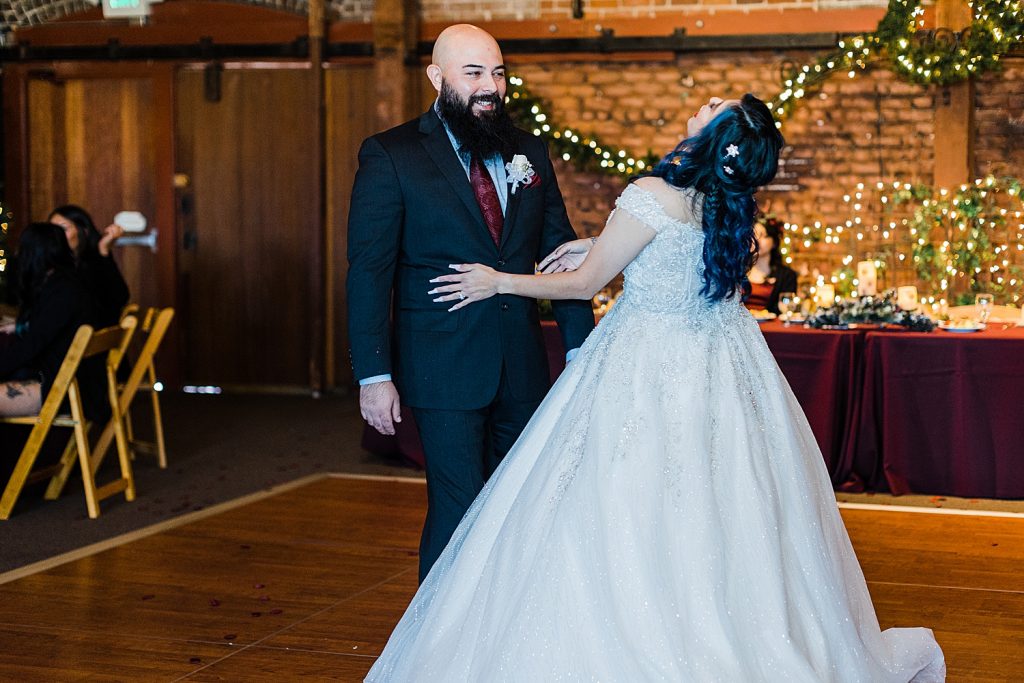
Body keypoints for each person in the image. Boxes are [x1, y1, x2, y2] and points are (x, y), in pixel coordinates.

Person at [364, 95, 945, 680]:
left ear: (714, 132)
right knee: (714, 499)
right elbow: (676, 252)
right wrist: (603, 242)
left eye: (714, 105)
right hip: (714, 365)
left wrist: (498, 281)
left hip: (643, 364)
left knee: (619, 493)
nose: (704, 102)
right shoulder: (724, 199)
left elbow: (585, 285)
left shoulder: (653, 192)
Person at [346, 24, 595, 582]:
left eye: (499, 73)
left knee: (518, 505)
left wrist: (580, 351)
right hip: (441, 365)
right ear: (437, 77)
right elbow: (368, 272)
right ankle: (437, 647)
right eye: (474, 73)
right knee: (459, 509)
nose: (491, 86)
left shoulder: (528, 150)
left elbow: (559, 252)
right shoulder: (392, 154)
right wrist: (373, 375)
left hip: (522, 362)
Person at [0, 222, 101, 418]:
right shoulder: (66, 284)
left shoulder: (62, 293)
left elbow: (29, 346)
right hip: (75, 384)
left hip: (67, 390)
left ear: (32, 254)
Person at [48, 205, 130, 328]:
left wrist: (103, 250)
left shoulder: (88, 264)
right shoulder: (51, 264)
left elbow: (120, 297)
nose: (55, 236)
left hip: (85, 339)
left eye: (62, 229)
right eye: (51, 230)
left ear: (84, 231)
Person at [744, 214, 798, 313]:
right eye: (753, 235)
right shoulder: (738, 271)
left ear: (774, 242)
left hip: (770, 328)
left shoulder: (787, 276)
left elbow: (786, 310)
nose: (757, 241)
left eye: (763, 236)